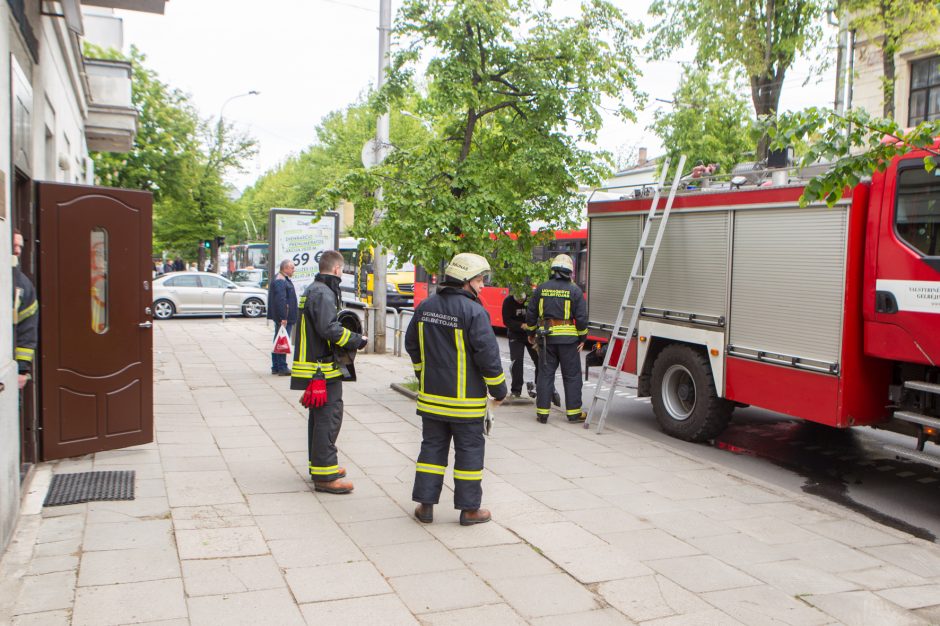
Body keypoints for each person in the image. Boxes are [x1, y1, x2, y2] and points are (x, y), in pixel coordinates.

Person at [406, 253, 507, 526]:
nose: (483, 285)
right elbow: (487, 355)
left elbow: (411, 345)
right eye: (479, 279)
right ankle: (469, 510)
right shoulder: (475, 312)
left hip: (432, 400)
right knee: (470, 454)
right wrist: (499, 389)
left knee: (431, 451)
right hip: (465, 403)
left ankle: (425, 507)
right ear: (465, 281)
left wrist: (421, 374)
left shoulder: (425, 306)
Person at [290, 250, 367, 494]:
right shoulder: (323, 293)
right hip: (323, 369)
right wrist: (357, 340)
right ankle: (325, 476)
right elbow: (329, 329)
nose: (342, 274)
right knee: (329, 419)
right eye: (342, 270)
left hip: (316, 367)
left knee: (319, 419)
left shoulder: (314, 289)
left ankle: (320, 466)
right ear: (336, 270)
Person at [526, 254, 588, 424]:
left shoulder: (541, 288)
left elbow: (531, 314)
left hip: (546, 340)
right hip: (569, 342)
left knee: (545, 375)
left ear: (553, 270)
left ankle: (542, 414)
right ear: (570, 271)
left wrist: (531, 334)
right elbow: (581, 318)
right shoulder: (574, 290)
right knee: (572, 376)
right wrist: (583, 337)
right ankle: (574, 414)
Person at [12, 229, 37, 391]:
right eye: (14, 245)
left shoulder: (23, 285)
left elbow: (27, 329)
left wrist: (22, 370)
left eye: (20, 246)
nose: (18, 251)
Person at [502, 292, 539, 398]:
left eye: (522, 300)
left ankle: (537, 386)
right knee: (517, 362)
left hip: (531, 334)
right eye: (518, 300)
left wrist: (532, 329)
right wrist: (521, 325)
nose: (520, 302)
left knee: (539, 360)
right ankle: (516, 390)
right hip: (515, 335)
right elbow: (507, 321)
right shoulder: (508, 301)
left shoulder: (531, 300)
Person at [267, 259, 298, 376]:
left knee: (278, 340)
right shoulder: (280, 281)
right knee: (282, 341)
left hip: (283, 317)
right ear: (285, 268)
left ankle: (276, 366)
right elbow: (281, 301)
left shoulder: (281, 278)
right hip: (285, 318)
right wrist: (283, 317)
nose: (293, 270)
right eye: (292, 268)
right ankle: (282, 367)